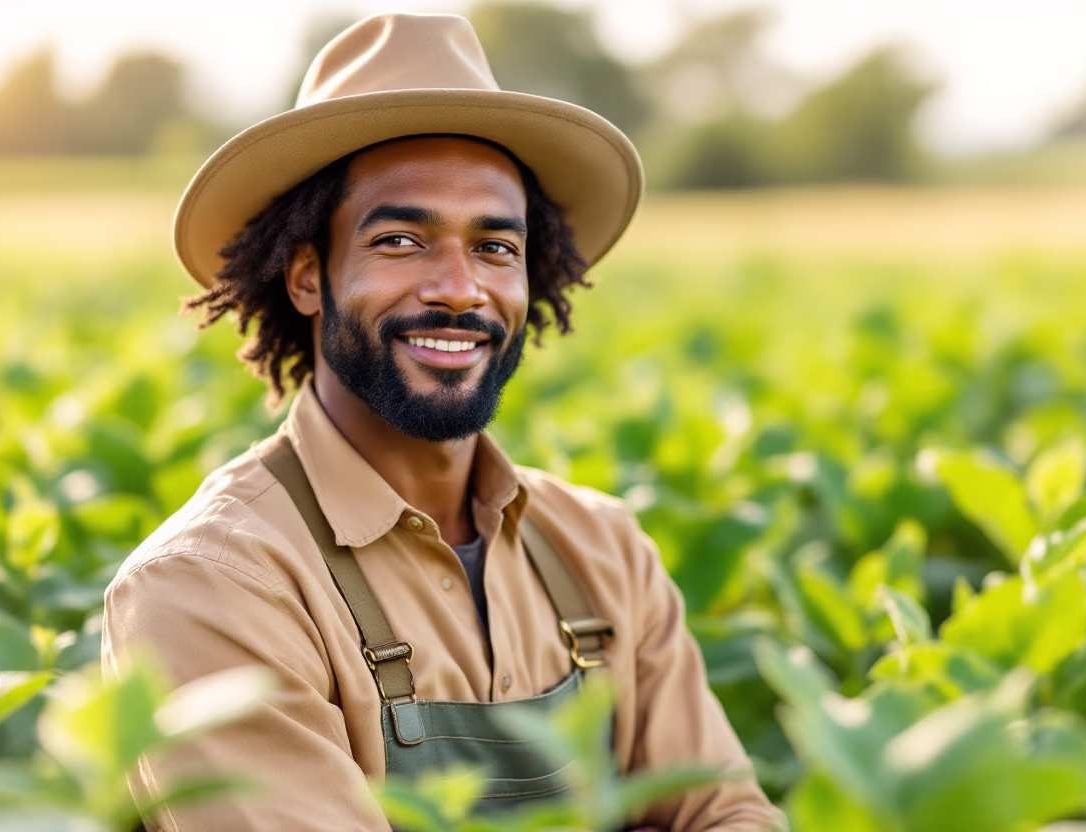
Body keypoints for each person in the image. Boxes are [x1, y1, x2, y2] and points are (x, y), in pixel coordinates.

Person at [102, 13, 783, 832]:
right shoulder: (210, 585)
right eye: (400, 240)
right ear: (309, 276)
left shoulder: (605, 550)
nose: (460, 288)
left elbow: (728, 811)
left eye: (495, 248)